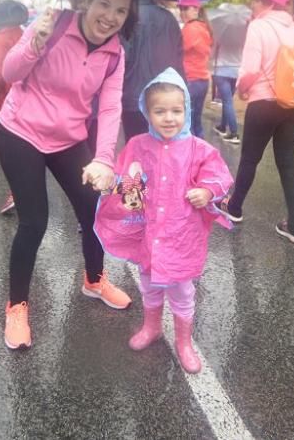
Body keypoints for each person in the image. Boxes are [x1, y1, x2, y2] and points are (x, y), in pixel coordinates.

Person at [0, 0, 137, 350]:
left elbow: (109, 108)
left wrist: (104, 158)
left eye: (120, 11)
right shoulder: (53, 24)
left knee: (94, 209)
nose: (110, 17)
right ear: (86, 0)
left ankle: (94, 279)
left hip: (69, 138)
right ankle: (16, 306)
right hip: (21, 132)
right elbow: (9, 74)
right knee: (34, 221)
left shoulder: (115, 54)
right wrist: (34, 43)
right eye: (104, 4)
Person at [95, 68, 233, 373]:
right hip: (148, 235)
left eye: (176, 110)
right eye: (160, 111)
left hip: (183, 235)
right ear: (148, 112)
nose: (169, 118)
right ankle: (152, 327)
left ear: (187, 110)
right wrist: (111, 184)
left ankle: (184, 341)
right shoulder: (138, 145)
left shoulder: (199, 149)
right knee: (149, 285)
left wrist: (206, 191)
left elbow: (219, 176)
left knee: (182, 291)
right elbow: (127, 180)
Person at [218, 0, 294, 243]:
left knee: (250, 159)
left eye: (256, 0)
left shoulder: (258, 27)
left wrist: (242, 91)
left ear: (268, 3)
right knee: (287, 163)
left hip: (264, 102)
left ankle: (234, 208)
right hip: (292, 103)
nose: (253, 5)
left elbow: (250, 70)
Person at [0, 0, 28, 215]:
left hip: (5, 104)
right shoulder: (23, 32)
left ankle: (17, 193)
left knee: (9, 154)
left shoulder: (0, 38)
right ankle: (23, 193)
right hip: (27, 99)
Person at [120, 0, 183, 140]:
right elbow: (178, 60)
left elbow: (122, 59)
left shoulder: (128, 19)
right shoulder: (170, 19)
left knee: (136, 146)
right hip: (165, 96)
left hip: (132, 98)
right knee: (163, 149)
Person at [179, 0, 213, 138]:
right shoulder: (203, 27)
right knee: (197, 120)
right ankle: (201, 154)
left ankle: (191, 155)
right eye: (181, 8)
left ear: (196, 10)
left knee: (187, 122)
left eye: (185, 8)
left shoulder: (190, 28)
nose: (182, 12)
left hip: (190, 79)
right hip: (202, 79)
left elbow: (179, 49)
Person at [211, 8, 246, 145]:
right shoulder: (243, 35)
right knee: (228, 100)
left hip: (221, 71)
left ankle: (234, 133)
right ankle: (222, 126)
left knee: (227, 101)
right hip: (236, 71)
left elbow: (213, 52)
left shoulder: (221, 34)